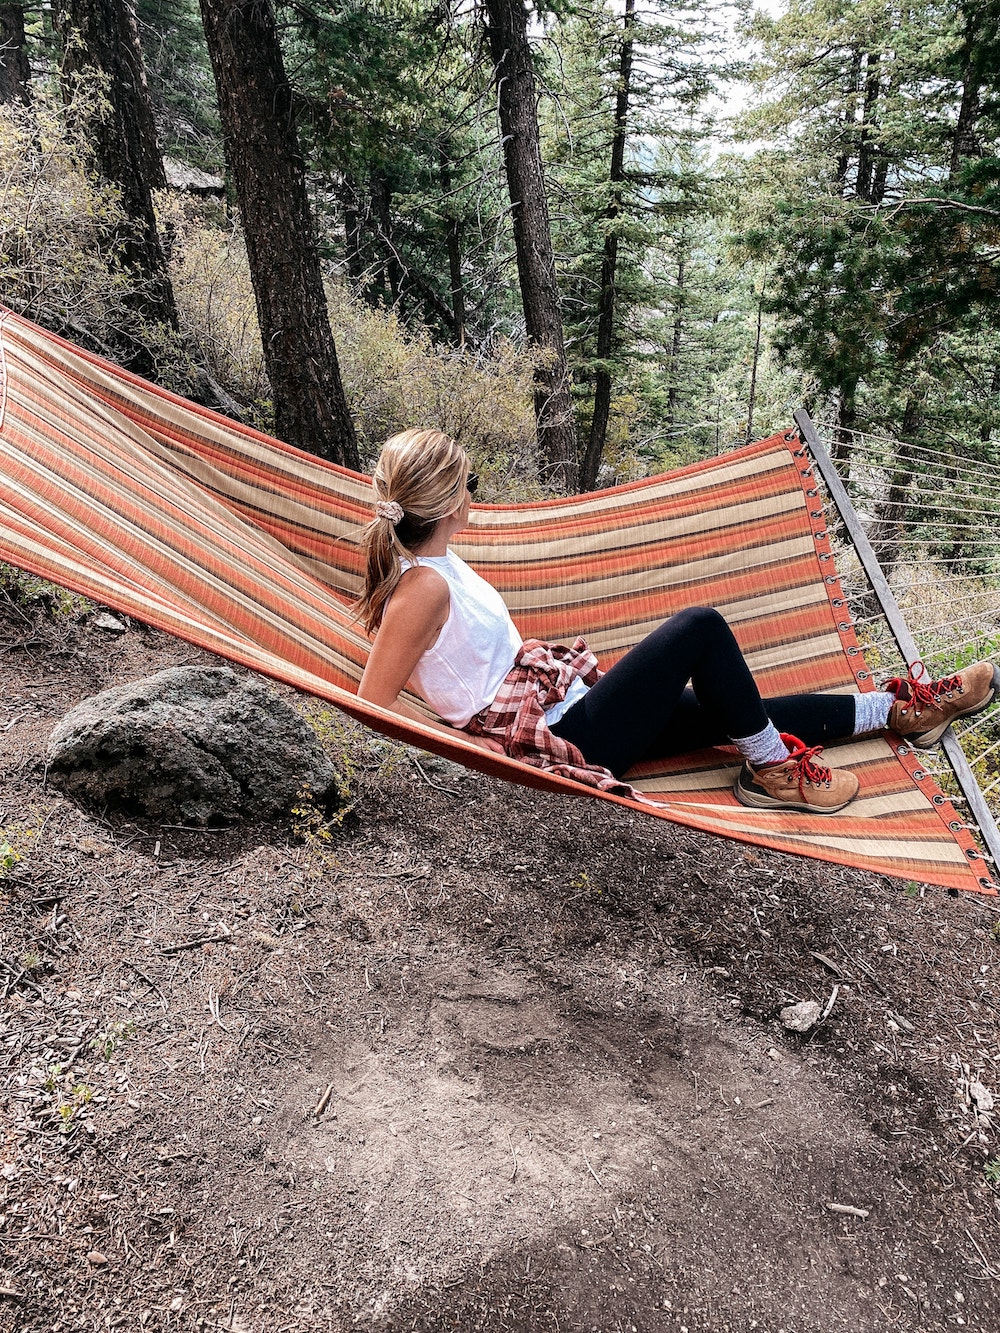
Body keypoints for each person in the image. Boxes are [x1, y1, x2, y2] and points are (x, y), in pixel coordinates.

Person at [356, 429, 1000, 815]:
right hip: (570, 734)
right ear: (448, 502)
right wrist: (463, 731)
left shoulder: (436, 565)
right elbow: (371, 704)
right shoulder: (423, 588)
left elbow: (429, 663)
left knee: (741, 708)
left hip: (567, 705)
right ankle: (772, 773)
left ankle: (899, 713)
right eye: (467, 480)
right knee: (699, 627)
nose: (474, 489)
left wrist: (451, 692)